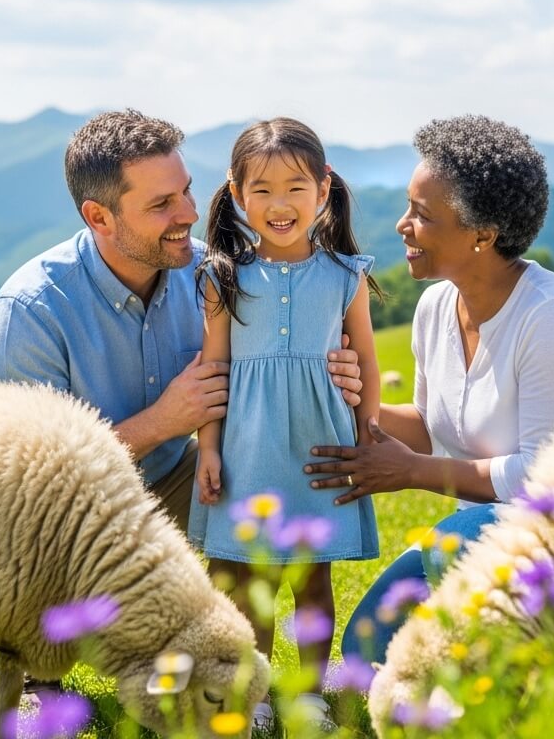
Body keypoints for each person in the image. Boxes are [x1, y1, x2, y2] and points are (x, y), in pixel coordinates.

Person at [0, 109, 365, 701]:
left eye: (186, 192)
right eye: (162, 205)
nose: (188, 213)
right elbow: (25, 481)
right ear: (99, 217)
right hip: (77, 504)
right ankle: (40, 675)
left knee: (243, 547)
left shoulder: (210, 273)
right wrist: (163, 421)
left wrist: (339, 371)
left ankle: (204, 653)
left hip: (177, 478)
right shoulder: (31, 311)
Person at [304, 115, 554, 666]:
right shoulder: (436, 306)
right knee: (364, 651)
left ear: (482, 236)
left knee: (462, 542)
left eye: (421, 215)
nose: (402, 225)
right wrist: (335, 397)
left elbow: (545, 478)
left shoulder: (552, 317)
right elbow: (429, 424)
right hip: (477, 531)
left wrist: (413, 473)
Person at [186, 118, 382, 730]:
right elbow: (214, 368)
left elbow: (368, 360)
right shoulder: (223, 276)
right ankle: (260, 697)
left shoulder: (346, 275)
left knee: (311, 578)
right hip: (249, 445)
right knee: (250, 581)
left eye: (296, 187)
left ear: (323, 191)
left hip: (319, 446)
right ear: (238, 194)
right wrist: (209, 449)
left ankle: (311, 694)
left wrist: (369, 433)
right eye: (262, 189)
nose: (279, 204)